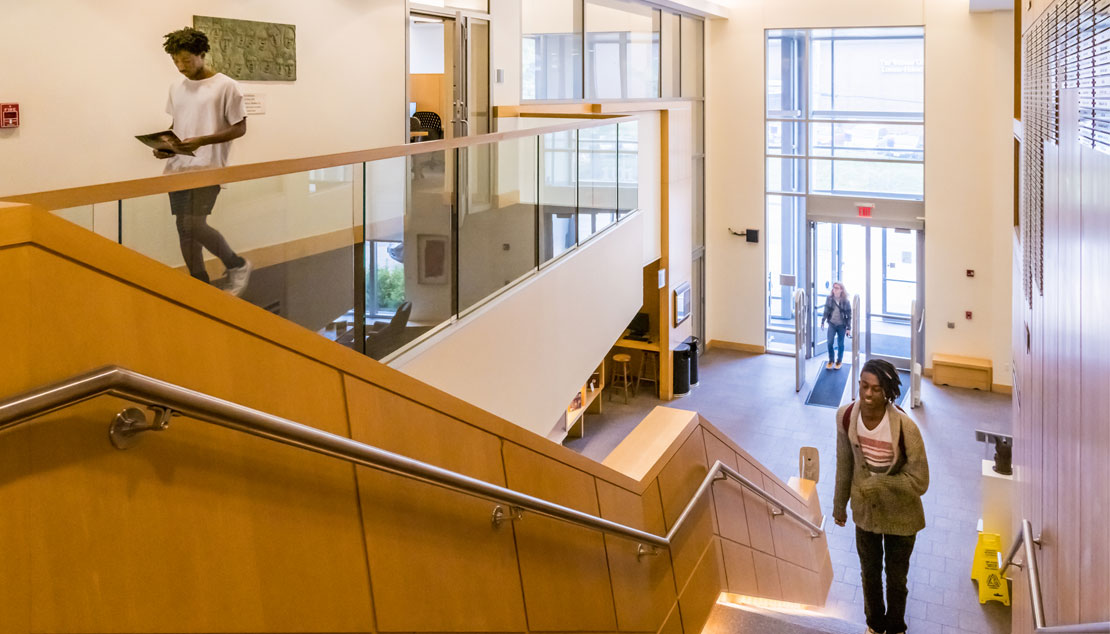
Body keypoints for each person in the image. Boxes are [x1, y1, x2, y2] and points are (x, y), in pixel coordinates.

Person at [833, 359, 929, 634]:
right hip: (866, 513)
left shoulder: (905, 427)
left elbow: (920, 480)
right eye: (863, 386)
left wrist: (879, 485)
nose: (867, 394)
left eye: (875, 389)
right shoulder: (846, 416)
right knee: (870, 574)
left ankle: (896, 627)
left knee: (896, 578)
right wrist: (840, 505)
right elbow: (844, 464)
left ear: (887, 392)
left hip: (902, 516)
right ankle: (875, 625)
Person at [154, 27, 251, 296]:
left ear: (201, 54)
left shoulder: (226, 86)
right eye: (175, 61)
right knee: (184, 231)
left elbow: (240, 128)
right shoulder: (176, 87)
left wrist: (202, 141)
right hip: (178, 168)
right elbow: (177, 125)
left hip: (208, 167)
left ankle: (237, 264)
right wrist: (166, 148)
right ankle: (201, 288)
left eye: (185, 60)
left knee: (193, 225)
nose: (180, 66)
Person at [820, 281, 852, 369]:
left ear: (841, 290)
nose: (834, 290)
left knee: (840, 344)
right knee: (829, 342)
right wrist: (823, 321)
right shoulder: (829, 299)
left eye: (837, 288)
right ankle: (831, 360)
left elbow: (849, 315)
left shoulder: (845, 301)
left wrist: (848, 328)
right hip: (832, 324)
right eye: (833, 288)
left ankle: (839, 361)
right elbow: (826, 310)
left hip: (842, 325)